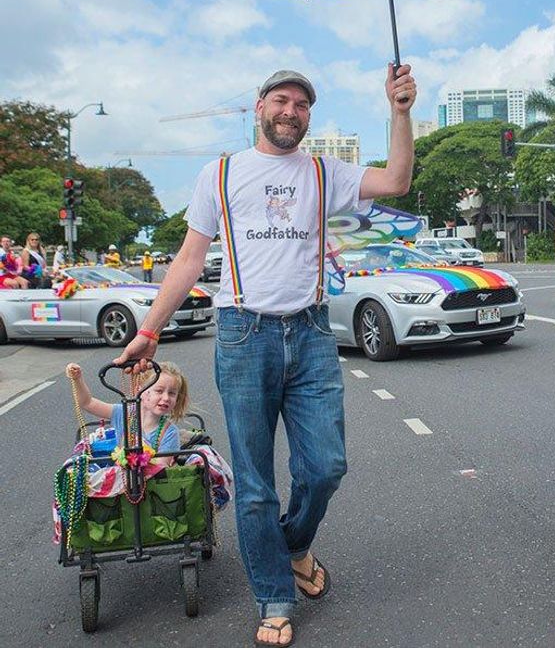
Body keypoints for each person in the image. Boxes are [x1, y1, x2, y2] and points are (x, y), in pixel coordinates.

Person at [115, 66, 417, 647]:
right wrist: (150, 330)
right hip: (241, 334)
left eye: (303, 104)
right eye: (282, 100)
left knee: (326, 466)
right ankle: (274, 595)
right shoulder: (221, 173)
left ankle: (294, 544)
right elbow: (186, 259)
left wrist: (399, 110)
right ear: (259, 107)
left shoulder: (326, 172)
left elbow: (398, 180)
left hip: (309, 334)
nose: (292, 111)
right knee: (254, 483)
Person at [65, 360, 187, 465]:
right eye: (159, 391)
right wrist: (77, 379)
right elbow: (87, 403)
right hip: (121, 479)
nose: (166, 398)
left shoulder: (170, 432)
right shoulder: (123, 413)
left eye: (172, 393)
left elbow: (161, 468)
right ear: (141, 391)